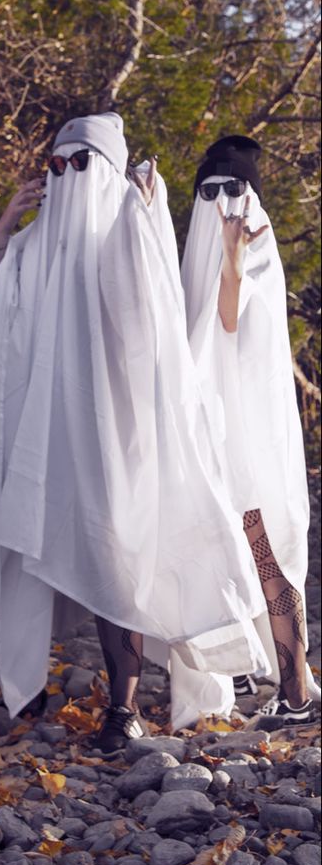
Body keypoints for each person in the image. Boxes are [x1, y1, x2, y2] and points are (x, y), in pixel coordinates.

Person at [0, 112, 272, 755]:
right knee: (21, 564)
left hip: (109, 433)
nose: (68, 176)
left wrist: (148, 209)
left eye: (82, 164)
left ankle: (123, 705)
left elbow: (152, 315)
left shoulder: (124, 230)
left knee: (115, 561)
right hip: (42, 437)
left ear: (106, 170)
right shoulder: (34, 244)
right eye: (57, 165)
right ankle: (20, 687)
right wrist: (0, 233)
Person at [181, 135, 319, 723]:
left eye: (233, 189)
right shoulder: (199, 257)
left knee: (266, 560)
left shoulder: (254, 254)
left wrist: (234, 256)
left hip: (247, 446)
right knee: (215, 557)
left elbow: (232, 320)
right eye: (208, 191)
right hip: (209, 440)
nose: (220, 202)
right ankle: (238, 677)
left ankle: (296, 692)